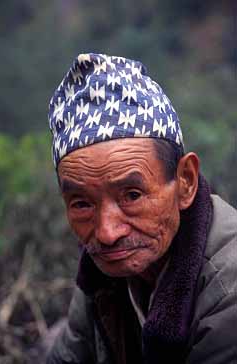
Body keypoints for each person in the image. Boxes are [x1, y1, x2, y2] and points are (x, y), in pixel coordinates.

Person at [46, 53, 237, 364]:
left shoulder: (228, 289)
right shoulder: (103, 273)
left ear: (185, 181)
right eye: (82, 204)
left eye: (132, 195)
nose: (107, 234)